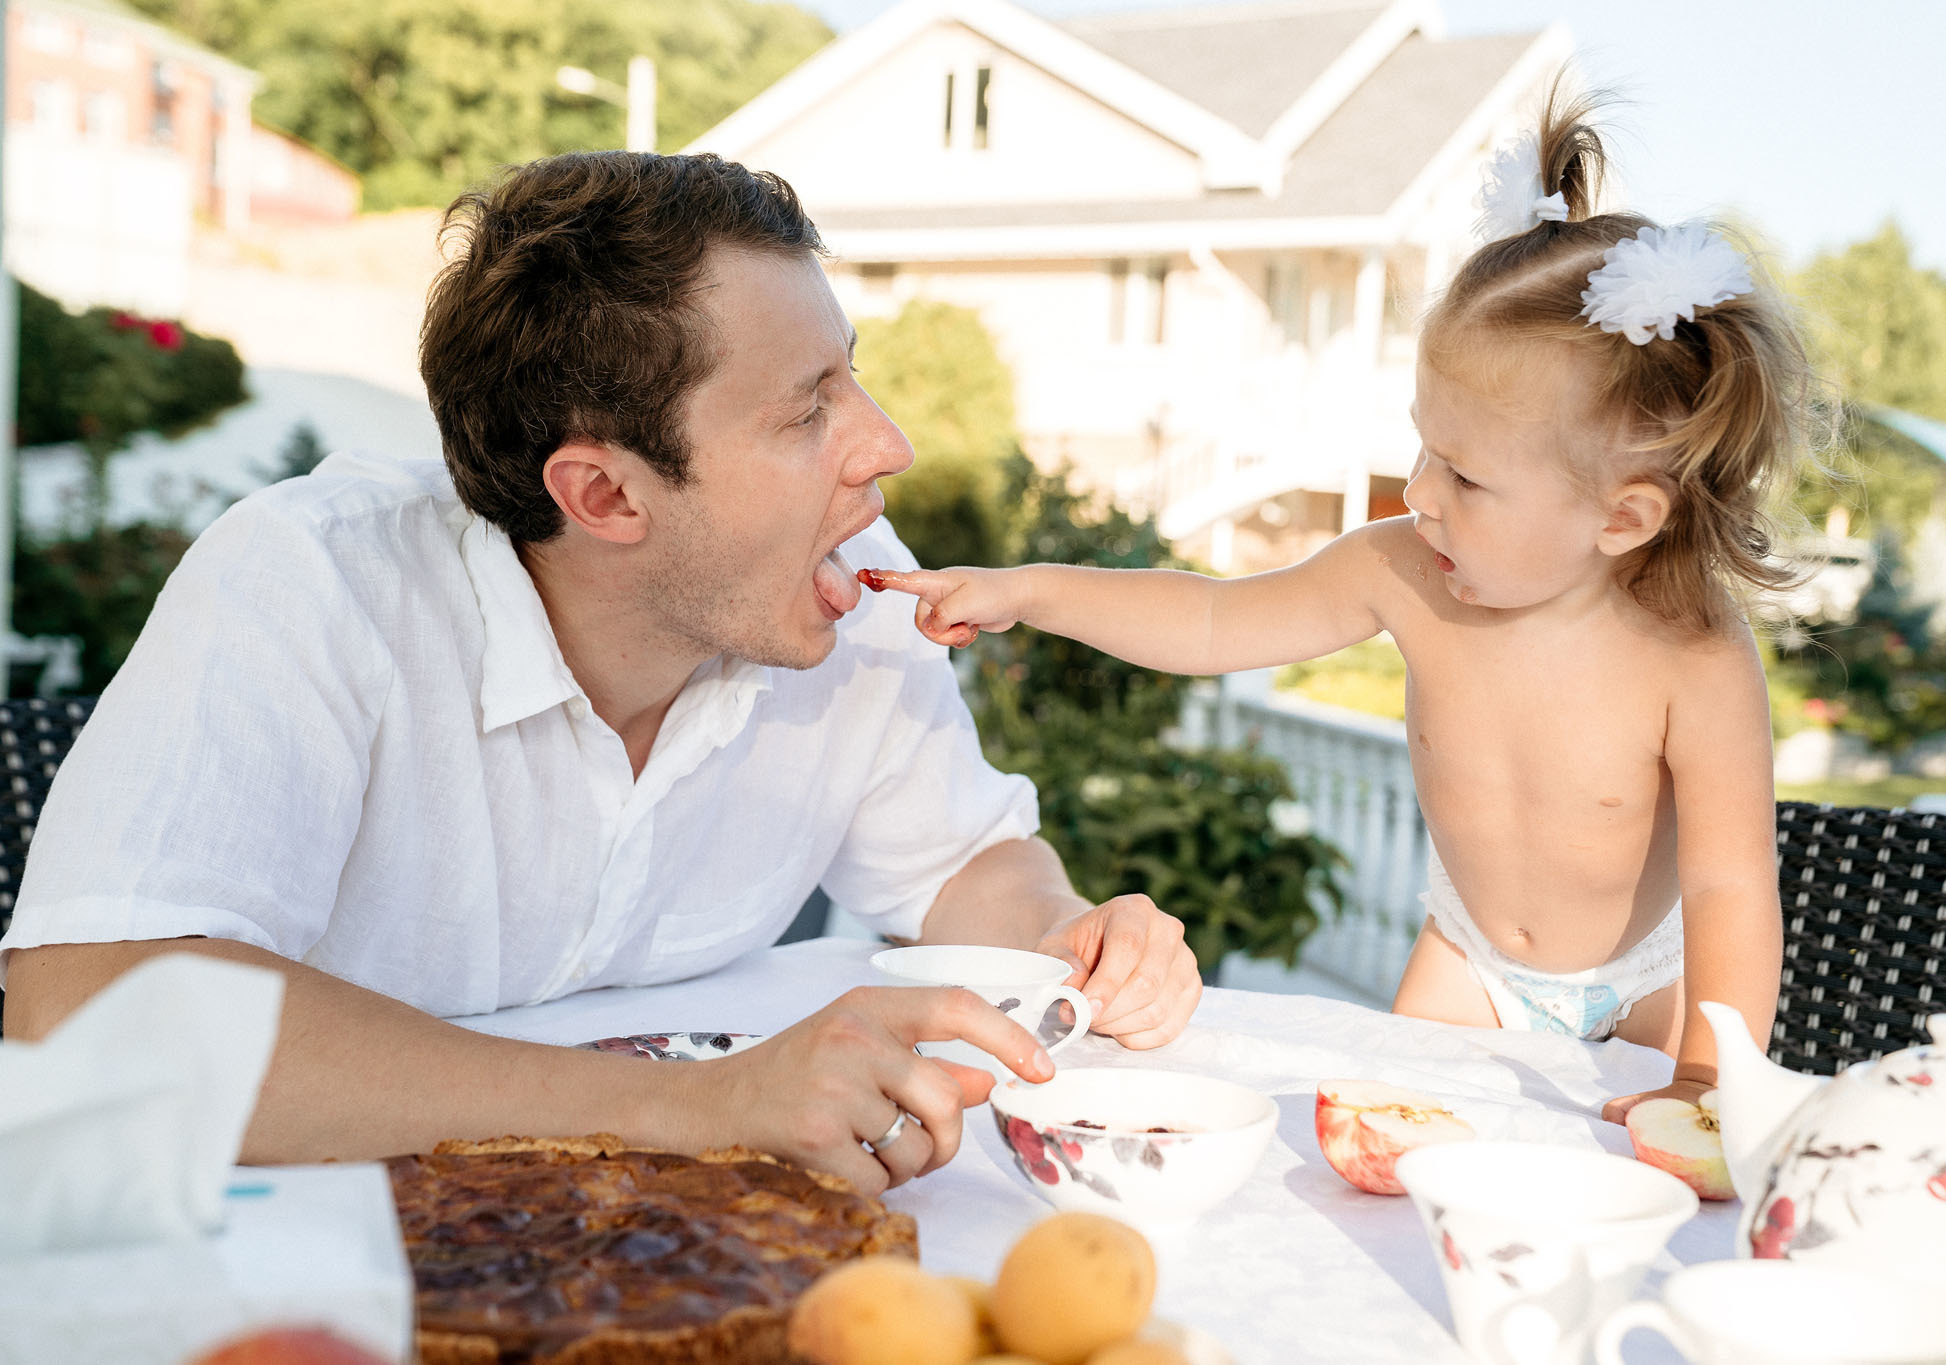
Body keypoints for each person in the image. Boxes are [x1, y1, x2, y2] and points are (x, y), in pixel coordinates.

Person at [0, 151, 1201, 1194]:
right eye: (805, 413)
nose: (885, 445)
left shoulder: (845, 581)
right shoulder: (310, 586)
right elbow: (90, 1014)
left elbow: (962, 862)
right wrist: (698, 1109)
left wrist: (1061, 934)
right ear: (604, 494)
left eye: (852, 376)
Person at [864, 89, 1824, 1122]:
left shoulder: (1694, 656)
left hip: (1649, 982)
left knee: (1656, 1176)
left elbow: (1729, 889)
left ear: (1621, 518)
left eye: (1463, 475)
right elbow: (1208, 621)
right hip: (1468, 962)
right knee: (1387, 1156)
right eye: (1422, 446)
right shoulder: (1401, 569)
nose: (1417, 493)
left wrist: (1702, 1081)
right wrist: (1028, 591)